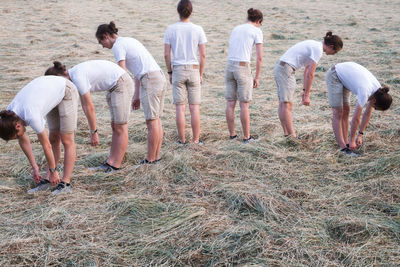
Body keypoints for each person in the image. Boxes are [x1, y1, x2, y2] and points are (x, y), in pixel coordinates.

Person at [96, 22, 167, 164]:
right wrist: (137, 95)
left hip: (150, 79)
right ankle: (156, 156)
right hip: (158, 77)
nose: (102, 46)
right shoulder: (129, 40)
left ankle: (151, 159)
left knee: (151, 121)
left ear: (106, 36)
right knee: (156, 120)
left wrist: (121, 93)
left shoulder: (118, 46)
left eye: (101, 42)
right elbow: (137, 70)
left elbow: (121, 72)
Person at [45, 60, 134, 172]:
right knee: (115, 126)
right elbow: (84, 105)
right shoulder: (74, 77)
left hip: (121, 83)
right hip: (114, 86)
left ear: (60, 76)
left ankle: (116, 165)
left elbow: (89, 106)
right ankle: (110, 162)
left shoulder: (78, 77)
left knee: (120, 127)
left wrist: (94, 132)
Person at [0, 76, 79, 194]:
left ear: (17, 126)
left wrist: (54, 171)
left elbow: (46, 146)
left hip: (65, 90)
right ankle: (48, 180)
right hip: (49, 92)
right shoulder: (10, 116)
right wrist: (35, 167)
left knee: (67, 139)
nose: (18, 138)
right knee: (54, 137)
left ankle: (65, 183)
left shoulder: (31, 115)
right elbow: (23, 139)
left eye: (16, 136)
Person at [274, 32, 343, 138]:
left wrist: (304, 91)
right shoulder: (318, 49)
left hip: (281, 68)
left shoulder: (314, 44)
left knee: (283, 103)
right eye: (335, 52)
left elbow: (306, 71)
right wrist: (306, 95)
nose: (333, 54)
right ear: (331, 46)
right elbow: (311, 73)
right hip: (286, 69)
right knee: (287, 104)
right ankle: (292, 137)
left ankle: (287, 134)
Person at [325, 62, 392, 155]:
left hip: (345, 75)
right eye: (376, 107)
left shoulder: (379, 92)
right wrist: (353, 140)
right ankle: (343, 148)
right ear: (374, 101)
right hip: (335, 74)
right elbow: (356, 118)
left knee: (346, 110)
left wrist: (360, 134)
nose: (374, 108)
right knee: (338, 112)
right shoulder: (365, 92)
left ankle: (347, 144)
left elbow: (367, 113)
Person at [164, 0, 207, 145]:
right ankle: (196, 140)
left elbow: (166, 54)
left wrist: (169, 72)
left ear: (178, 11)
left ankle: (182, 140)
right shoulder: (198, 29)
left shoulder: (170, 29)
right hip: (194, 69)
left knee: (180, 108)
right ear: (191, 11)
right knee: (194, 108)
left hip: (178, 70)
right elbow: (203, 55)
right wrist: (200, 74)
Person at [225, 8, 263, 143]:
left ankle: (232, 135)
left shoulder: (236, 28)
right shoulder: (256, 31)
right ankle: (246, 137)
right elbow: (259, 57)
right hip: (243, 67)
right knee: (244, 104)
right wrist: (257, 77)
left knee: (230, 103)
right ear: (259, 21)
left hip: (230, 66)